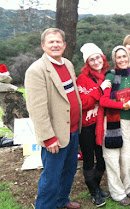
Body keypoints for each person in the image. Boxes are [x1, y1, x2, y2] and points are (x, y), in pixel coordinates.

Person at [25, 28, 82, 209]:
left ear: (64, 46)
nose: (55, 45)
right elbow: (37, 108)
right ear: (43, 45)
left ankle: (62, 201)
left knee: (69, 171)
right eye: (51, 42)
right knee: (51, 178)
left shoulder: (67, 64)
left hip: (73, 131)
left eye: (58, 42)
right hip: (55, 136)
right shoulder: (36, 71)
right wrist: (48, 137)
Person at [77, 43, 130, 207]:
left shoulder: (109, 75)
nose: (96, 61)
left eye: (98, 57)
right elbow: (83, 103)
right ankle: (94, 192)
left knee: (102, 160)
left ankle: (97, 186)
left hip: (103, 124)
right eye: (91, 59)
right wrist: (99, 90)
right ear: (87, 63)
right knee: (88, 160)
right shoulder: (83, 79)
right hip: (87, 125)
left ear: (103, 58)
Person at [100, 45, 130, 206]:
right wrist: (123, 105)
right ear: (114, 59)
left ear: (128, 57)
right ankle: (117, 193)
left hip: (129, 122)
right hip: (111, 123)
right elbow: (104, 100)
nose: (122, 59)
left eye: (124, 56)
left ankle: (127, 187)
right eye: (119, 57)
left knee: (128, 158)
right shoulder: (110, 76)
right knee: (112, 158)